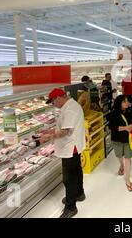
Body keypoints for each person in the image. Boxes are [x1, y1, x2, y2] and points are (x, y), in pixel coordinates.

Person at [40, 88, 86, 218]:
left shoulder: (70, 109)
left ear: (58, 98)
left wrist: (49, 137)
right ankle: (79, 193)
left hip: (70, 147)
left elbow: (65, 132)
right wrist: (50, 132)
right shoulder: (71, 105)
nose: (53, 105)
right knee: (77, 170)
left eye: (53, 102)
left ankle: (71, 207)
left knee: (68, 177)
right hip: (74, 146)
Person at [109, 95, 132, 192]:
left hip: (128, 139)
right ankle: (121, 165)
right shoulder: (114, 114)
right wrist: (126, 128)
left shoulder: (129, 110)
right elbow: (112, 127)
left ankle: (127, 179)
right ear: (119, 103)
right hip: (117, 139)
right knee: (119, 155)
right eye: (124, 101)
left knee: (128, 158)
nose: (127, 103)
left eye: (127, 101)